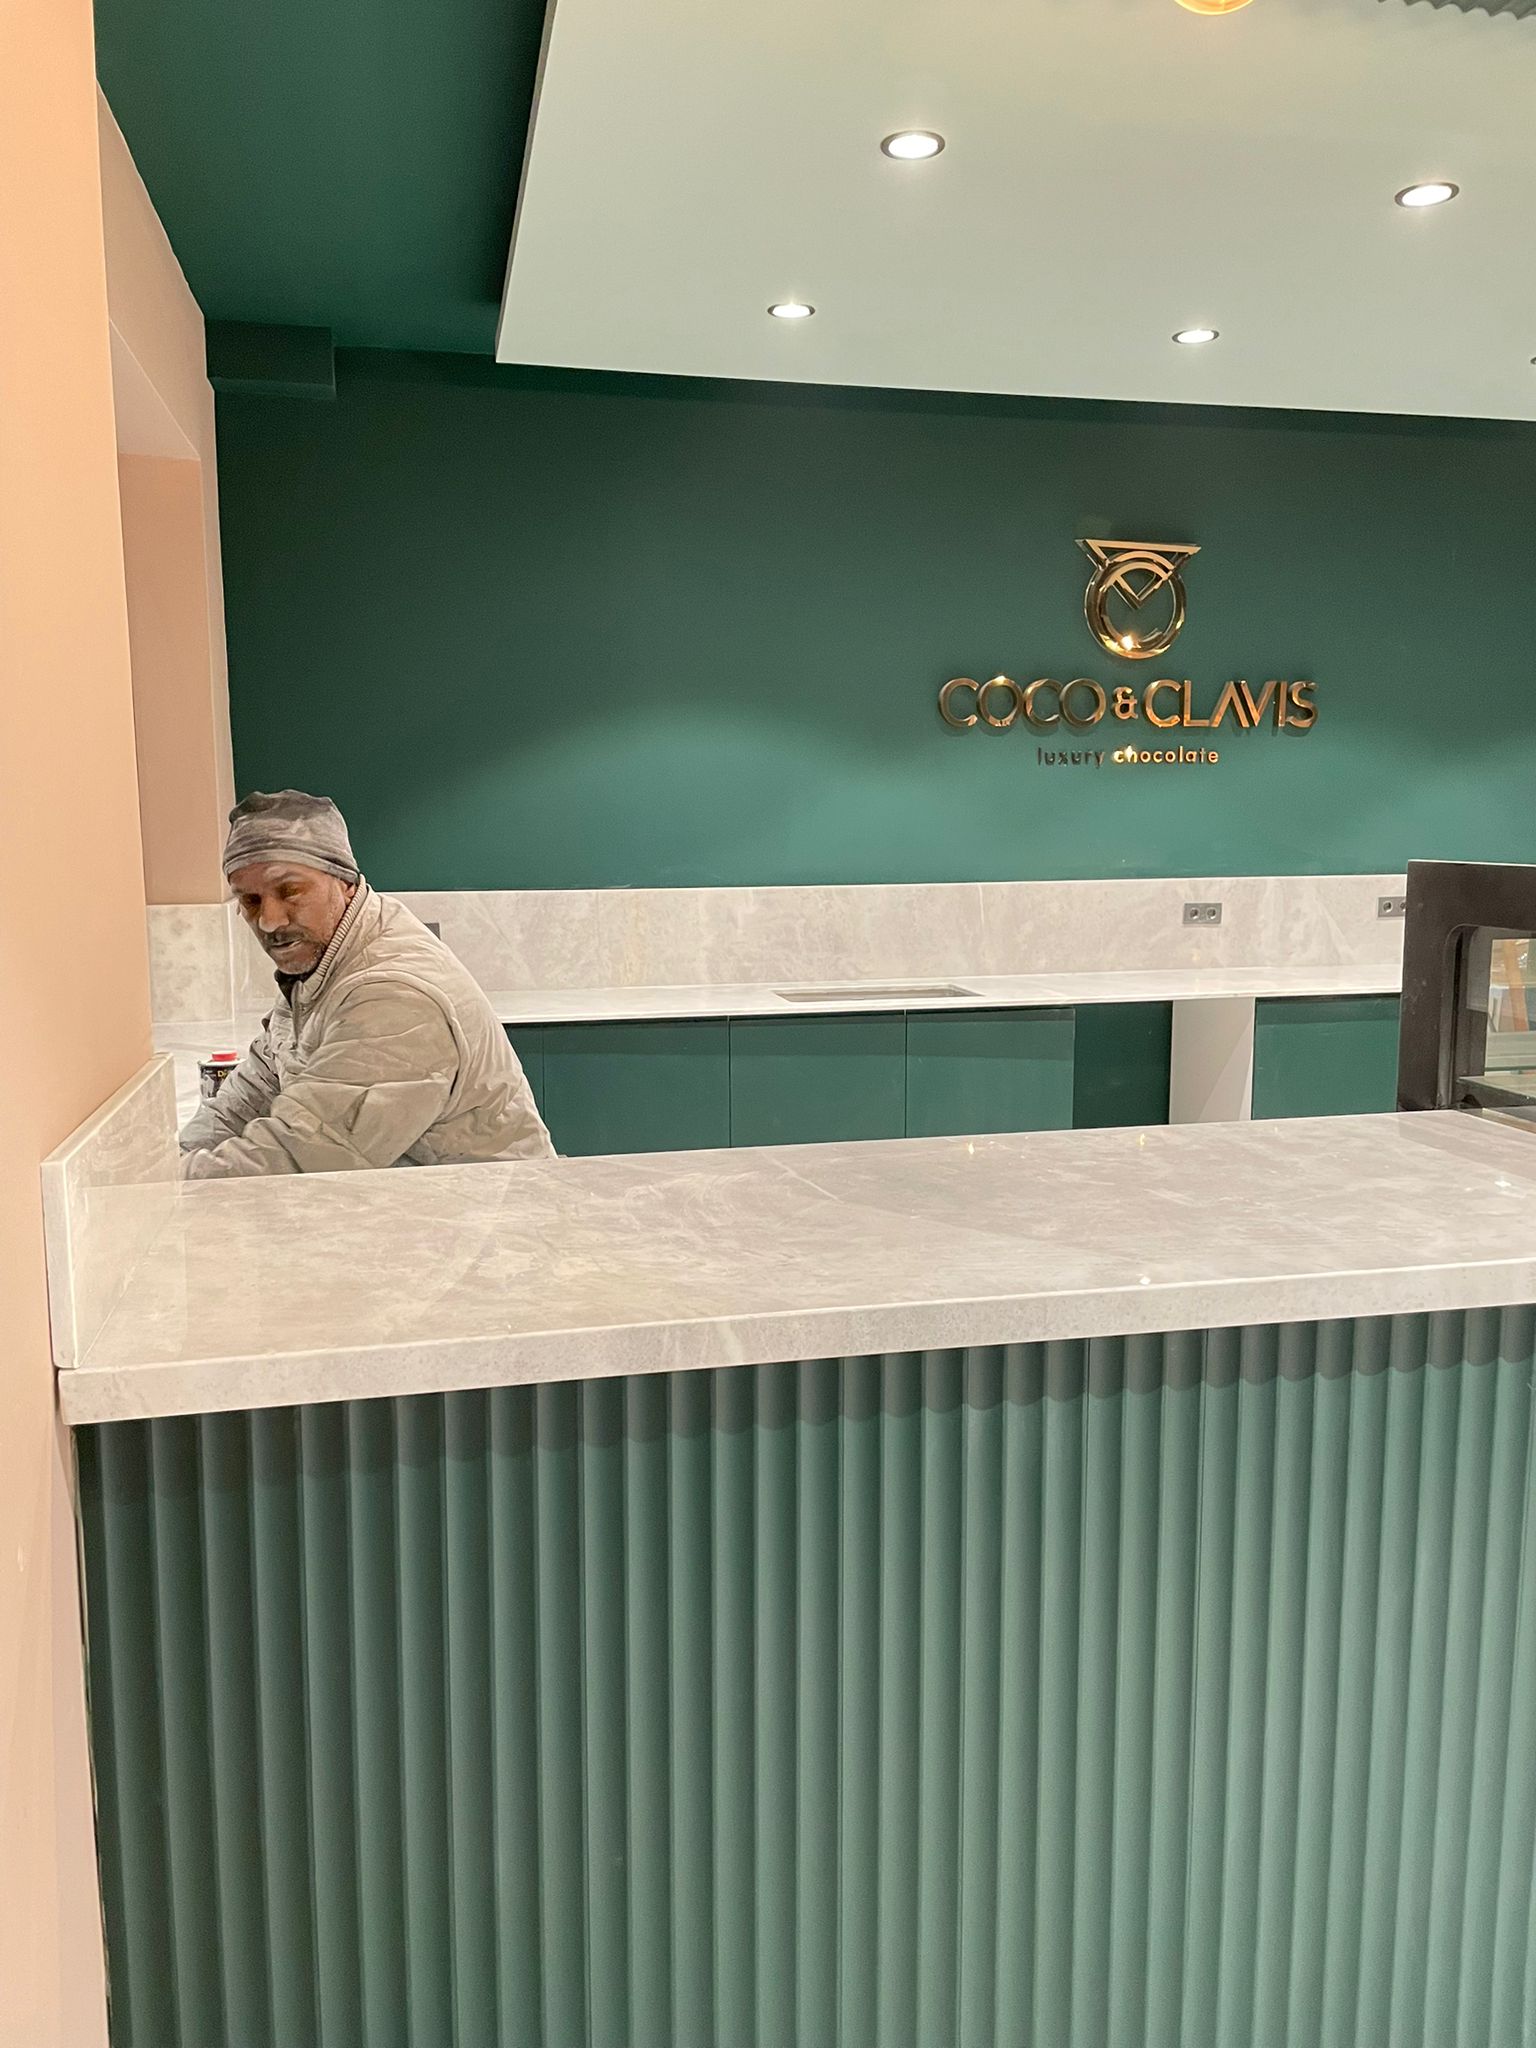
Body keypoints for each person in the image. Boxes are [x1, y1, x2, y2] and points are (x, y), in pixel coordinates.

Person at [179, 789, 553, 1177]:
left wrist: (174, 1182)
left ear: (345, 882)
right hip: (424, 1201)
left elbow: (303, 1156)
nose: (269, 920)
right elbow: (254, 1091)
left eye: (290, 890)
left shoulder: (395, 998)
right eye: (251, 900)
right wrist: (176, 1158)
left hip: (489, 1207)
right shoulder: (320, 960)